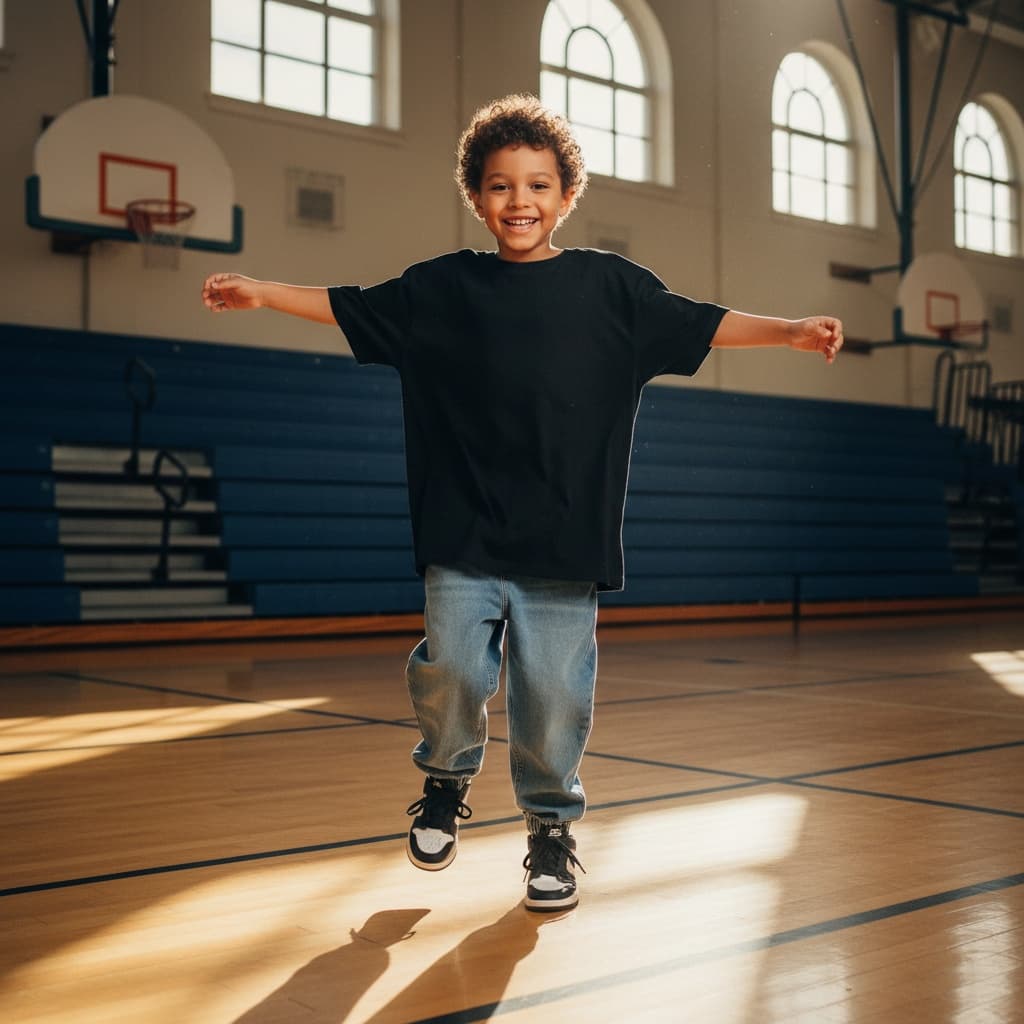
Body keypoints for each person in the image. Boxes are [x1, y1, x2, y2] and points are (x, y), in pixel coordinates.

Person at [201, 94, 843, 914]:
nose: (520, 202)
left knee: (555, 700)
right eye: (501, 186)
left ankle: (549, 832)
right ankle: (444, 776)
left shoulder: (614, 291)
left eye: (538, 185)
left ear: (567, 196)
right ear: (477, 196)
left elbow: (704, 323)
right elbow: (349, 302)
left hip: (563, 542)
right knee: (458, 669)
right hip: (461, 531)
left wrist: (789, 331)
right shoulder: (441, 289)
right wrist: (260, 290)